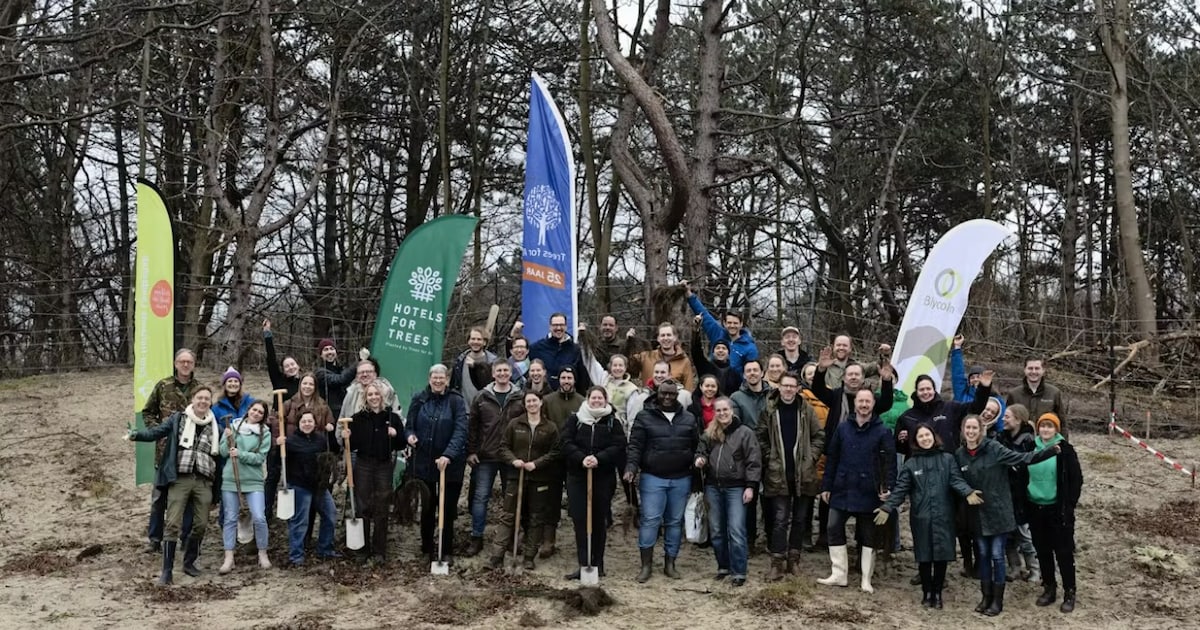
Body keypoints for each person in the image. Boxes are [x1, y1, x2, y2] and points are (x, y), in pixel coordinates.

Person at [958, 412, 1061, 615]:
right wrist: (966, 492)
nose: (970, 431)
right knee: (984, 555)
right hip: (977, 513)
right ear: (963, 430)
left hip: (999, 512)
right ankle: (985, 597)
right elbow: (955, 479)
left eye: (974, 428)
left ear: (981, 430)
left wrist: (1047, 453)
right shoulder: (959, 454)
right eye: (967, 428)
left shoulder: (994, 448)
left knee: (997, 555)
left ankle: (997, 600)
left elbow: (1021, 458)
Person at [895, 370, 991, 579]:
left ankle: (966, 562)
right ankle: (924, 569)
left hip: (948, 474)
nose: (925, 392)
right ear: (916, 392)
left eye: (928, 388)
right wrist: (901, 439)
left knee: (957, 522)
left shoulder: (950, 408)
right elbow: (901, 448)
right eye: (921, 389)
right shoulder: (908, 416)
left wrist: (983, 388)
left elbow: (975, 408)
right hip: (920, 479)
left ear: (934, 389)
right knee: (923, 525)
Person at [876, 424, 981, 609]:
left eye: (928, 435)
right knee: (924, 557)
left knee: (941, 557)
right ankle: (926, 593)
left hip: (944, 516)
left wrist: (968, 492)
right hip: (921, 517)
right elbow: (901, 489)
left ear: (934, 437)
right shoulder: (911, 464)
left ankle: (938, 593)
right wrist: (887, 507)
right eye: (921, 436)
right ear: (916, 441)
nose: (925, 439)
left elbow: (956, 480)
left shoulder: (947, 459)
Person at [125, 386, 220, 585]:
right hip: (180, 478)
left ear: (210, 402)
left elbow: (218, 456)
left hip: (204, 480)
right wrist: (137, 435)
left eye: (207, 399)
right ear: (192, 399)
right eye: (199, 397)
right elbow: (157, 432)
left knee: (201, 524)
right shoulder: (178, 419)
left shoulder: (215, 424)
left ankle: (189, 562)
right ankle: (166, 571)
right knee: (173, 523)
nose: (203, 401)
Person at [817, 387, 896, 593]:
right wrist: (826, 485)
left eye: (867, 402)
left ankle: (866, 578)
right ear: (855, 404)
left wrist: (888, 488)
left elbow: (890, 463)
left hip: (869, 491)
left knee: (868, 535)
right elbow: (832, 458)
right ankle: (839, 574)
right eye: (860, 401)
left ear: (873, 404)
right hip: (842, 488)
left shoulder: (883, 431)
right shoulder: (843, 428)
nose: (863, 405)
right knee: (833, 527)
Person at [624, 380, 701, 582]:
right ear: (656, 393)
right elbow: (635, 445)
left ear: (677, 395)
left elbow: (696, 447)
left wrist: (697, 465)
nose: (667, 398)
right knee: (650, 520)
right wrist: (631, 467)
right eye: (663, 393)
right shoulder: (644, 416)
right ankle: (646, 565)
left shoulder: (689, 418)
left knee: (674, 522)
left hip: (681, 478)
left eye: (671, 394)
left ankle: (670, 563)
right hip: (652, 477)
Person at [758, 372, 824, 580]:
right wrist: (770, 457)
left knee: (800, 519)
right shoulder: (769, 409)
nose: (788, 389)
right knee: (779, 520)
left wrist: (810, 458)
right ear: (778, 387)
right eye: (784, 385)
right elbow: (759, 435)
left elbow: (819, 436)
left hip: (803, 474)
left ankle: (794, 561)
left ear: (797, 388)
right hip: (778, 473)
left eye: (792, 386)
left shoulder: (806, 410)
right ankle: (777, 562)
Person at [487, 390, 561, 570]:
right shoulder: (515, 424)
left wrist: (537, 463)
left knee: (535, 518)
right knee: (508, 516)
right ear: (524, 404)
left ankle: (529, 556)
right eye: (528, 401)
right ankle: (497, 556)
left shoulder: (550, 428)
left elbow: (555, 452)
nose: (532, 404)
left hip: (539, 478)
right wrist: (514, 460)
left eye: (535, 400)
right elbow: (503, 446)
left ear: (541, 402)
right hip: (515, 476)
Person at [406, 364, 469, 564]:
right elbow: (409, 426)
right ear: (429, 378)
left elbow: (461, 431)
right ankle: (426, 549)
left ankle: (446, 549)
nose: (438, 381)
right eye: (435, 377)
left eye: (442, 377)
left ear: (447, 380)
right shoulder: (419, 399)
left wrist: (448, 455)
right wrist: (410, 437)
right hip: (425, 464)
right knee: (427, 508)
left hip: (450, 466)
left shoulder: (456, 401)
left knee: (447, 509)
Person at [562, 387, 627, 579]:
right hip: (577, 477)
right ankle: (584, 564)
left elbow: (618, 445)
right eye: (593, 397)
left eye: (600, 398)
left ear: (606, 400)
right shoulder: (576, 419)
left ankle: (598, 563)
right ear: (588, 399)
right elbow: (565, 442)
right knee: (580, 521)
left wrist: (599, 458)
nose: (596, 401)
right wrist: (581, 458)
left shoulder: (612, 422)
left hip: (602, 478)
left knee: (599, 521)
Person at [694, 396, 760, 586]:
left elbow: (753, 462)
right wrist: (700, 459)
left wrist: (751, 486)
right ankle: (723, 566)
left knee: (736, 530)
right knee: (716, 530)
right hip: (713, 487)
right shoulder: (710, 433)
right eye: (718, 410)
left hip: (737, 488)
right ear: (714, 413)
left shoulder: (745, 433)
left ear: (732, 411)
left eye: (725, 410)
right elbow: (701, 451)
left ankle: (739, 571)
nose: (722, 413)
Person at [141, 348, 202, 554]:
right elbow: (148, 411)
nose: (186, 365)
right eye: (182, 361)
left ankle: (185, 539)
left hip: (189, 454)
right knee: (159, 498)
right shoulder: (163, 385)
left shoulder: (200, 389)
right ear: (175, 364)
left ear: (194, 364)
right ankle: (155, 539)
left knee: (187, 500)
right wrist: (158, 432)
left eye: (189, 362)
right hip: (165, 452)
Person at [1027, 412, 1082, 613]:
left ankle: (1070, 591)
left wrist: (1068, 506)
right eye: (1043, 426)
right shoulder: (1031, 448)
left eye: (1050, 426)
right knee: (1042, 551)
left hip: (1058, 510)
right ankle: (1049, 587)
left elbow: (1076, 480)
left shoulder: (1065, 450)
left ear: (1056, 429)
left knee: (1064, 553)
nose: (1046, 430)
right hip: (1035, 507)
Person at [466, 361, 523, 556]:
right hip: (485, 456)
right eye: (499, 370)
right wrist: (471, 451)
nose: (502, 374)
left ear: (510, 373)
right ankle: (476, 537)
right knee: (481, 497)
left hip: (510, 457)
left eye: (506, 370)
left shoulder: (519, 396)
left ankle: (510, 538)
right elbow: (472, 425)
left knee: (511, 498)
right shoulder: (482, 396)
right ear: (493, 373)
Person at [345, 382, 402, 565]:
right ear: (365, 398)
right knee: (363, 507)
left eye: (377, 394)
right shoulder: (357, 418)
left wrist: (395, 435)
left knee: (381, 508)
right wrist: (347, 436)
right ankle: (363, 549)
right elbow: (351, 446)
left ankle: (379, 551)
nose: (374, 397)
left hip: (384, 466)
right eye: (370, 395)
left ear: (382, 396)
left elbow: (401, 444)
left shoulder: (392, 418)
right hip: (363, 465)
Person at [268, 373, 335, 523]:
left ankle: (308, 535)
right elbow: (276, 423)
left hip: (315, 455)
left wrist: (330, 425)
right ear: (300, 385)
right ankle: (297, 532)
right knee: (300, 499)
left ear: (315, 387)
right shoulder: (289, 404)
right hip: (294, 455)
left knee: (314, 501)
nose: (307, 387)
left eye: (311, 384)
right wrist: (277, 441)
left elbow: (330, 422)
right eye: (305, 383)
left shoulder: (322, 405)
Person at [218, 400, 273, 573]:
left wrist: (240, 454)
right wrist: (228, 440)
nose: (256, 413)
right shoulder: (232, 427)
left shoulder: (265, 433)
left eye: (260, 413)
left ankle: (262, 554)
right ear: (248, 410)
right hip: (230, 479)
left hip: (253, 480)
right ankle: (229, 558)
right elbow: (222, 452)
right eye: (254, 410)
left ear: (263, 417)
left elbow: (259, 458)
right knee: (230, 518)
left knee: (259, 517)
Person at [537, 367, 585, 557]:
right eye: (563, 377)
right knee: (551, 501)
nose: (566, 381)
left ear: (574, 380)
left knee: (576, 501)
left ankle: (579, 542)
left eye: (569, 377)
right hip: (553, 459)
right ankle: (548, 541)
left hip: (574, 459)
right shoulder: (548, 401)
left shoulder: (582, 402)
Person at [284, 410, 341, 567]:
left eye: (310, 421)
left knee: (330, 514)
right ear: (298, 423)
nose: (307, 424)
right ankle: (296, 555)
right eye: (304, 421)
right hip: (299, 486)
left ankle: (325, 549)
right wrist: (278, 446)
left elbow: (335, 451)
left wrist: (331, 435)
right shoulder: (291, 442)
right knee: (300, 521)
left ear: (315, 424)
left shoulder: (321, 440)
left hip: (319, 486)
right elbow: (279, 461)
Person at [729, 358, 773, 551]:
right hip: (746, 455)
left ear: (762, 373)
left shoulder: (773, 395)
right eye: (749, 371)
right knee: (749, 498)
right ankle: (749, 540)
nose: (752, 374)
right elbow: (735, 425)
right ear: (744, 374)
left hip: (771, 452)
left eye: (756, 370)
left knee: (770, 499)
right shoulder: (736, 397)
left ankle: (772, 539)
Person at [997, 404, 1039, 583]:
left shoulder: (1029, 441)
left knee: (1025, 534)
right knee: (1007, 535)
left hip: (1022, 494)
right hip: (1005, 492)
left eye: (1007, 417)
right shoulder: (1001, 438)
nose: (1003, 420)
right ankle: (1015, 567)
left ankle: (1034, 569)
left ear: (1018, 419)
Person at [685, 282, 758, 375]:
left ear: (741, 324)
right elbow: (703, 314)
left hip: (735, 386)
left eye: (735, 323)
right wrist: (689, 294)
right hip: (713, 383)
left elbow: (751, 371)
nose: (732, 326)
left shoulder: (749, 347)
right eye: (729, 323)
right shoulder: (717, 333)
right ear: (724, 323)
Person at [521, 314, 592, 391]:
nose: (558, 328)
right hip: (543, 397)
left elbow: (582, 378)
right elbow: (520, 364)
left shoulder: (576, 350)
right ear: (550, 327)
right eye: (555, 325)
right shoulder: (536, 348)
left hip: (567, 397)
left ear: (566, 327)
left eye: (561, 325)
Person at [625, 323, 697, 391]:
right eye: (662, 335)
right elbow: (628, 366)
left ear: (675, 337)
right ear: (658, 338)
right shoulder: (646, 357)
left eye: (668, 335)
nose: (665, 338)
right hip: (648, 401)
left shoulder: (684, 361)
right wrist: (629, 343)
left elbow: (688, 388)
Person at [1007, 357, 1069, 435]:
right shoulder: (1014, 394)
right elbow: (1007, 422)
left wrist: (1063, 445)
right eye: (1030, 368)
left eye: (1037, 368)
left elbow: (1062, 423)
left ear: (1043, 370)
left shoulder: (1054, 393)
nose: (1033, 371)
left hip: (1047, 443)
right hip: (1020, 444)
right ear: (1024, 370)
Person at [690, 325, 742, 396]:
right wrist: (696, 332)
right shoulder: (705, 367)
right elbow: (696, 352)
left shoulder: (735, 374)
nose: (720, 350)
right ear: (713, 352)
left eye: (724, 348)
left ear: (728, 353)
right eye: (718, 348)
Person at [823, 334, 889, 390]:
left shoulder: (857, 367)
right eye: (838, 345)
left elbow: (877, 366)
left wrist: (885, 354)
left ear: (850, 348)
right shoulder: (823, 368)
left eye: (845, 345)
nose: (841, 348)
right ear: (833, 347)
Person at [451, 326, 497, 405]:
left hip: (485, 410)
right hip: (463, 410)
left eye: (479, 339)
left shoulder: (492, 362)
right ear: (468, 341)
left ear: (484, 342)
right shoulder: (460, 361)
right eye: (473, 339)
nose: (475, 342)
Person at [262, 319, 300, 399]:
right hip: (278, 411)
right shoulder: (278, 380)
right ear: (283, 370)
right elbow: (271, 359)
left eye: (292, 364)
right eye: (287, 366)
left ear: (298, 366)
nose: (290, 367)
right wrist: (267, 333)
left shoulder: (303, 383)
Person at [314, 338, 351, 417]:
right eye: (325, 350)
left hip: (347, 413)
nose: (329, 352)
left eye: (331, 349)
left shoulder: (342, 370)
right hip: (329, 416)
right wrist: (357, 365)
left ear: (336, 352)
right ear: (321, 354)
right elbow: (339, 380)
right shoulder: (319, 373)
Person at [949, 334, 983, 404]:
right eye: (972, 378)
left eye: (978, 377)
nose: (975, 379)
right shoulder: (961, 394)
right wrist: (957, 347)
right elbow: (958, 374)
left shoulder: (993, 396)